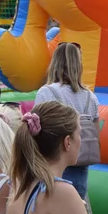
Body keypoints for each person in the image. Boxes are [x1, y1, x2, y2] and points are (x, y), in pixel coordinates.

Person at [33, 42, 99, 199]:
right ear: (79, 65)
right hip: (80, 165)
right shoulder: (90, 97)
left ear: (55, 62)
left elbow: (36, 132)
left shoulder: (46, 93)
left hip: (54, 164)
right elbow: (95, 134)